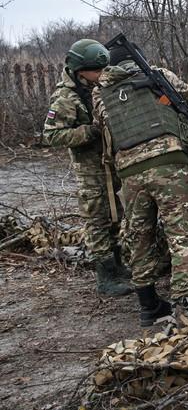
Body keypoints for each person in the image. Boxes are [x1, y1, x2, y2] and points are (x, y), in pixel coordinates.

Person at [92, 43, 188, 327]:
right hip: (168, 163)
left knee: (139, 236)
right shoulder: (157, 74)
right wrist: (161, 100)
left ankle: (149, 305)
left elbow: (104, 123)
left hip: (129, 172)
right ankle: (185, 303)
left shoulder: (99, 93)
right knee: (181, 233)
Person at [43, 39, 132, 296]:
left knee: (116, 215)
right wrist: (90, 132)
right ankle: (105, 277)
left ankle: (117, 265)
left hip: (110, 164)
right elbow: (51, 135)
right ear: (81, 70)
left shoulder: (96, 84)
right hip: (90, 170)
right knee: (97, 219)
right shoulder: (65, 98)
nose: (102, 74)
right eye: (98, 70)